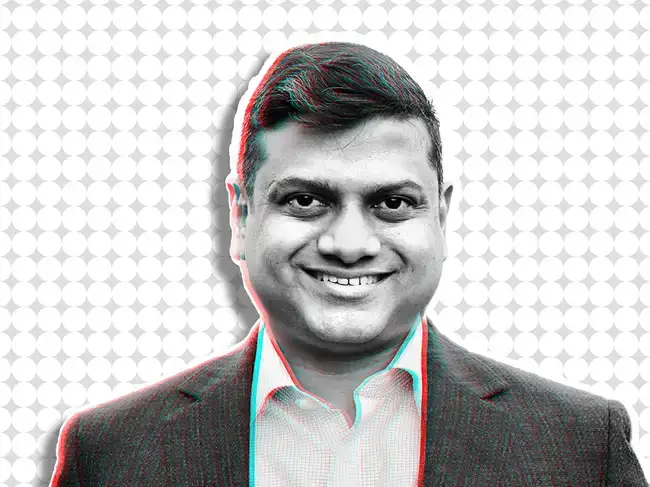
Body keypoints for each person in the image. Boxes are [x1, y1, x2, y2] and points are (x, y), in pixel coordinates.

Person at [51, 41, 647, 486]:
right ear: (241, 215)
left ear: (440, 217)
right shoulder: (111, 453)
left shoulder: (578, 447)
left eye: (393, 203)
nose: (350, 243)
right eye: (305, 200)